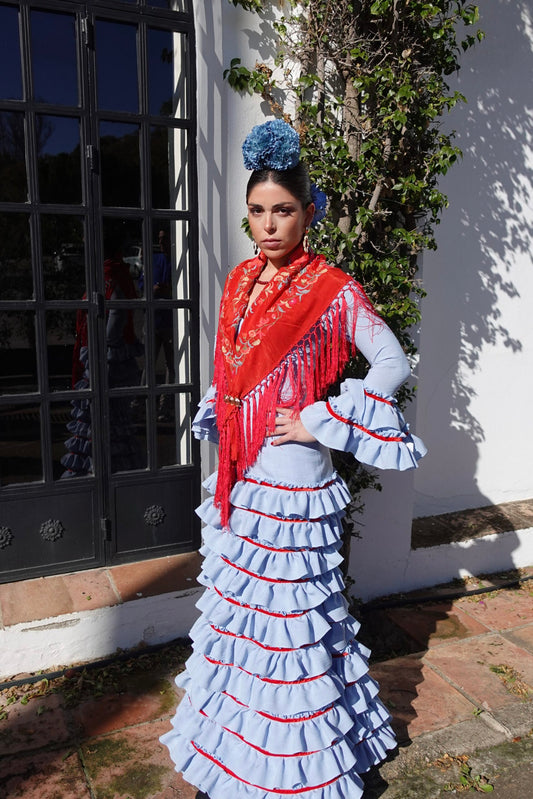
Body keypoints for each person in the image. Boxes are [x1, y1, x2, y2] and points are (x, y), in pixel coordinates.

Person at [160, 120, 426, 799]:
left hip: (296, 484)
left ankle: (298, 775)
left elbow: (391, 361)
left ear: (309, 214)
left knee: (297, 634)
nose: (269, 224)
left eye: (283, 210)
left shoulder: (333, 288)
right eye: (257, 211)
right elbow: (235, 373)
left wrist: (320, 420)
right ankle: (242, 763)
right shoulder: (241, 280)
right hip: (245, 477)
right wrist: (225, 410)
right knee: (248, 627)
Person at [61, 233, 143, 477]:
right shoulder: (108, 274)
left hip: (105, 359)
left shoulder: (110, 276)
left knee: (104, 418)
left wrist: (102, 343)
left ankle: (104, 473)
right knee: (102, 420)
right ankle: (101, 472)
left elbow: (117, 315)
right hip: (100, 355)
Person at [137, 228, 175, 421]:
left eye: (165, 238)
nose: (162, 243)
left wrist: (167, 290)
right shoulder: (155, 260)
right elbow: (142, 286)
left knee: (171, 365)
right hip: (153, 318)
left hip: (171, 320)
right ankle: (145, 405)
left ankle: (164, 406)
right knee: (149, 365)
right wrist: (155, 289)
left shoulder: (178, 261)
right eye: (160, 239)